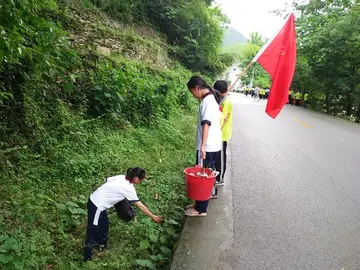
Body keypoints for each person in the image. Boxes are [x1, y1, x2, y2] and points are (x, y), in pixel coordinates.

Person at [83, 167, 162, 262]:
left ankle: (102, 245)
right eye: (142, 179)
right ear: (136, 178)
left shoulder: (121, 177)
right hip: (97, 205)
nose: (142, 181)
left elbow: (107, 179)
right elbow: (140, 206)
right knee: (93, 230)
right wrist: (152, 216)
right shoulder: (128, 188)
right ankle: (87, 257)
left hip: (99, 203)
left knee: (104, 224)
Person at [185, 76, 222, 217]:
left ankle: (201, 209)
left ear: (197, 88)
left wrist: (203, 146)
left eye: (192, 92)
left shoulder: (207, 101)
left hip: (208, 146)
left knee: (202, 177)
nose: (193, 96)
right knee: (204, 174)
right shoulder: (211, 99)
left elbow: (206, 123)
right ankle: (199, 204)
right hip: (212, 145)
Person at [214, 80, 232, 186]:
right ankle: (217, 174)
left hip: (221, 133)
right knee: (217, 156)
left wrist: (217, 131)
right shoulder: (221, 100)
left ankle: (220, 178)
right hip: (218, 133)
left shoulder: (226, 102)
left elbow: (223, 119)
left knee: (220, 157)